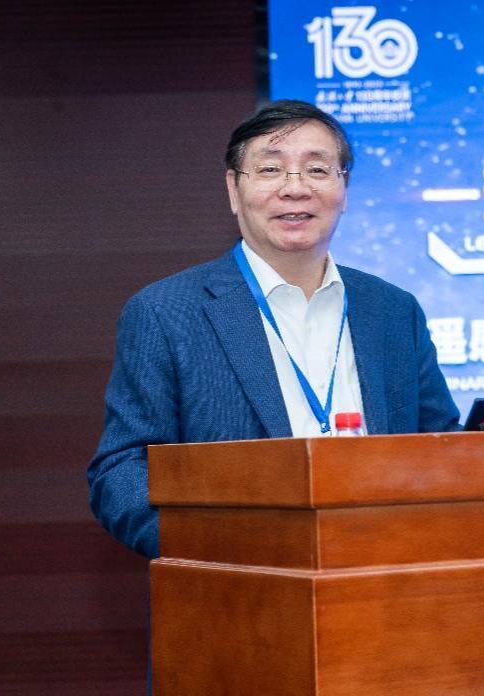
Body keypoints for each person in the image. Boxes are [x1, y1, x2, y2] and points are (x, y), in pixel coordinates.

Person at [87, 100, 461, 557]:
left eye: (317, 170)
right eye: (270, 169)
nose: (295, 189)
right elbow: (122, 471)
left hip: (383, 574)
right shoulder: (165, 313)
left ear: (344, 188)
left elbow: (443, 448)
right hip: (244, 583)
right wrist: (220, 549)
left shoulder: (393, 311)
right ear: (233, 189)